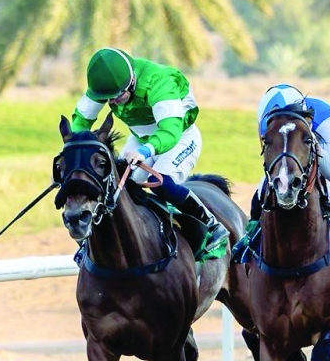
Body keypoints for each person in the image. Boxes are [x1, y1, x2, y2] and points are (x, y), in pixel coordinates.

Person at [70, 47, 229, 252]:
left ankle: (211, 224)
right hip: (140, 139)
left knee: (160, 183)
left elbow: (170, 131)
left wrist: (145, 152)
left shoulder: (159, 83)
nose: (111, 102)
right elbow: (80, 123)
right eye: (106, 98)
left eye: (116, 96)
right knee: (116, 187)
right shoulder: (107, 85)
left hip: (179, 138)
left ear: (131, 83)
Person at [252, 84, 330, 251]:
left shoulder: (325, 118)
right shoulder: (268, 124)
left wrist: (316, 147)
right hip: (295, 161)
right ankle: (251, 232)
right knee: (261, 189)